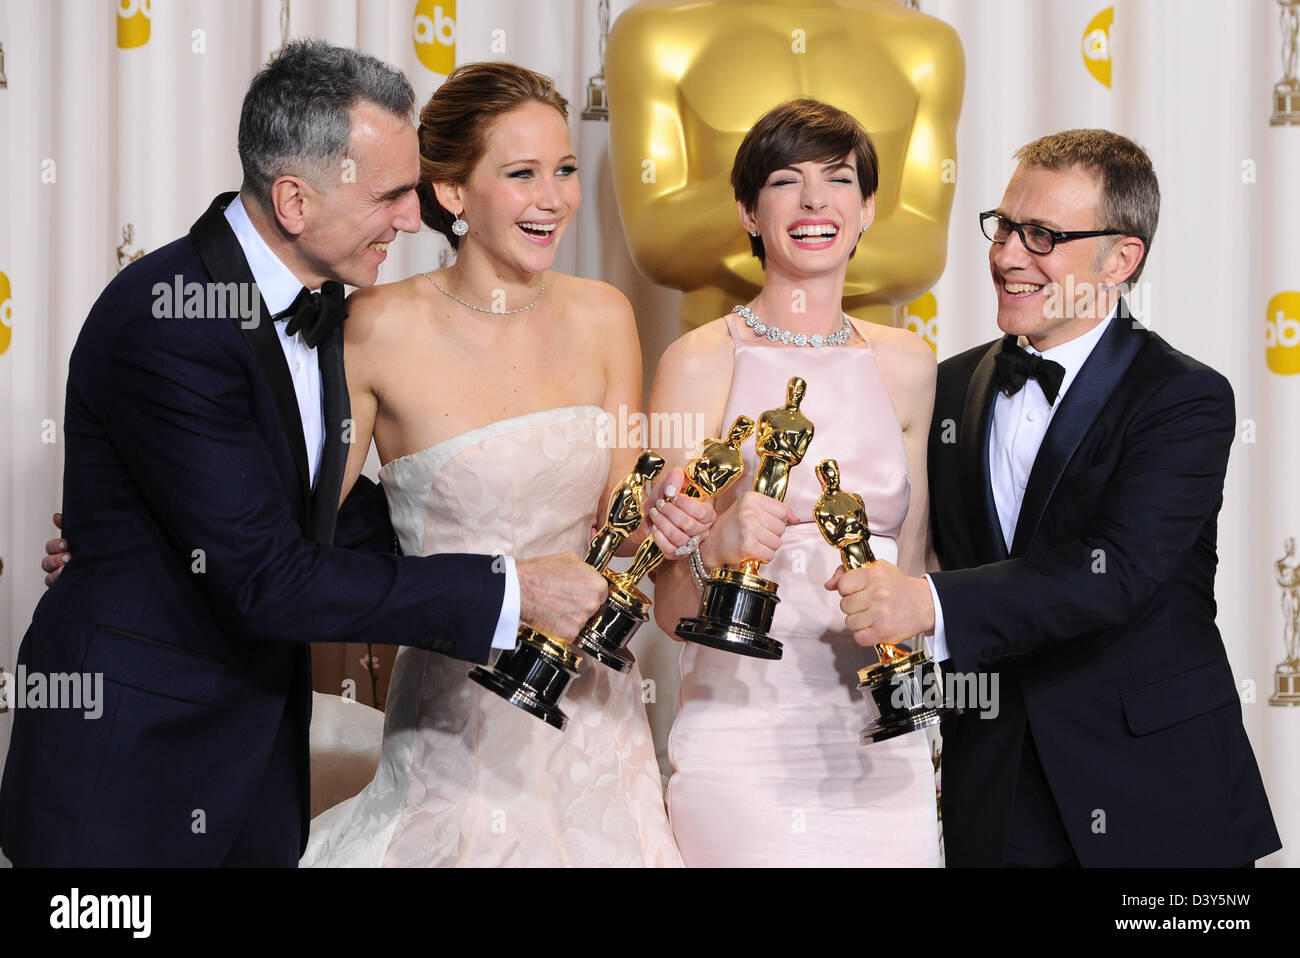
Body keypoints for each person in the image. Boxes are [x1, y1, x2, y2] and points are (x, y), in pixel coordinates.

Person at [2, 41, 606, 868]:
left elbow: (317, 523)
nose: (409, 216)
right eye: (391, 194)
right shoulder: (169, 319)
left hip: (254, 760)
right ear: (294, 200)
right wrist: (511, 589)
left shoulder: (324, 305)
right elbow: (266, 577)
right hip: (132, 765)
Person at [834, 129, 1282, 867]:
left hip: (1156, 790)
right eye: (1005, 226)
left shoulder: (1184, 397)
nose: (1008, 256)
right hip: (996, 792)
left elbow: (1119, 570)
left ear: (1121, 258)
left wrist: (932, 604)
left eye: (1042, 235)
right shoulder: (946, 386)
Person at [299, 62, 706, 867]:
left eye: (563, 170)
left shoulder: (603, 315)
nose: (553, 198)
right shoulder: (374, 326)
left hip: (597, 715)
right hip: (457, 716)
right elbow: (292, 529)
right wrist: (142, 547)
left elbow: (618, 532)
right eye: (522, 174)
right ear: (451, 193)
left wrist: (668, 515)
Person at [646, 98, 941, 866]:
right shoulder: (701, 361)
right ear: (749, 211)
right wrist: (716, 548)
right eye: (786, 181)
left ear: (868, 207)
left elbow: (911, 569)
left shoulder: (907, 364)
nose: (815, 202)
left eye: (839, 180)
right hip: (742, 740)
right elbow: (669, 609)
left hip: (884, 744)